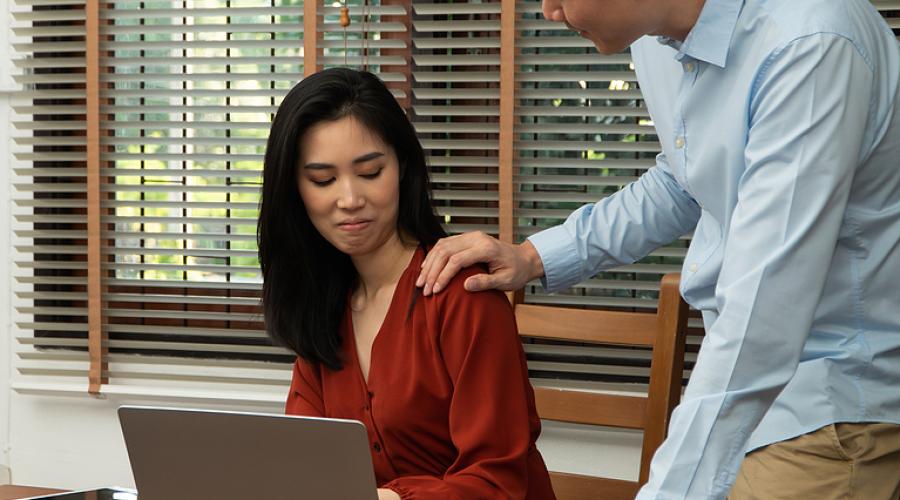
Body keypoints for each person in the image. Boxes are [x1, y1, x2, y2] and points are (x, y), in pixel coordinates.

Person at [416, 0, 900, 498]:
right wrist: (533, 257)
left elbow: (763, 321)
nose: (549, 11)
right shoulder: (654, 39)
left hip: (834, 403)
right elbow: (684, 181)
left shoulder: (810, 42)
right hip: (744, 389)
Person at [257, 68, 556, 500]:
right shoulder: (321, 308)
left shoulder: (464, 296)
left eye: (371, 172)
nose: (349, 199)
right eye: (323, 180)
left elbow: (497, 481)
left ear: (402, 167)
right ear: (295, 191)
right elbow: (307, 463)